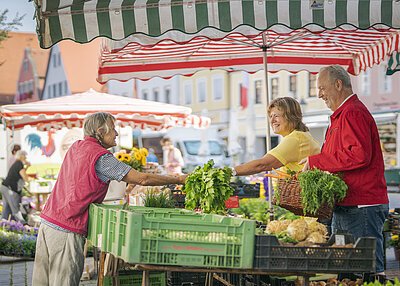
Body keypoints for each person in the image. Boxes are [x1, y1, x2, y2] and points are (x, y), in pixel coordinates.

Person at [32, 112, 186, 286]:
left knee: (41, 282)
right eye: (113, 129)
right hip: (66, 228)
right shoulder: (102, 158)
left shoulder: (76, 147)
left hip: (47, 223)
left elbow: (82, 181)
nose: (117, 134)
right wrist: (179, 179)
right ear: (99, 131)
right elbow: (143, 179)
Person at [302, 65, 389, 282]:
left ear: (338, 84)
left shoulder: (352, 113)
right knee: (347, 270)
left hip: (361, 206)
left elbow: (359, 155)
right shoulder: (341, 116)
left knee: (366, 272)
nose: (319, 94)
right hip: (347, 205)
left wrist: (315, 162)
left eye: (322, 88)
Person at [232, 97, 320, 176]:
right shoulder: (302, 135)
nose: (272, 120)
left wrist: (230, 172)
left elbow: (262, 165)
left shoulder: (295, 139)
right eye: (271, 116)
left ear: (290, 116)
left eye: (276, 116)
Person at [1, 150, 30, 224]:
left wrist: (27, 166)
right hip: (10, 189)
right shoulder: (19, 163)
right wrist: (30, 182)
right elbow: (24, 177)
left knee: (6, 210)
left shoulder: (17, 164)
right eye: (25, 157)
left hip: (5, 187)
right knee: (16, 209)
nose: (26, 159)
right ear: (21, 156)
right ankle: (25, 226)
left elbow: (20, 173)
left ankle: (3, 225)